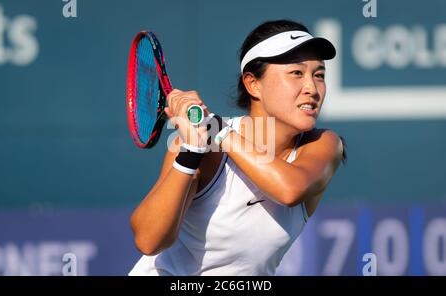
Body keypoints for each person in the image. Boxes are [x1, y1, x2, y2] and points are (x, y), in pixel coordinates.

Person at [129, 19, 347, 276]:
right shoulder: (202, 149)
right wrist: (191, 150)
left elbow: (290, 189)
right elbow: (149, 240)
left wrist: (216, 130)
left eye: (318, 75)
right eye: (296, 73)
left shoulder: (324, 145)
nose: (312, 88)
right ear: (253, 83)